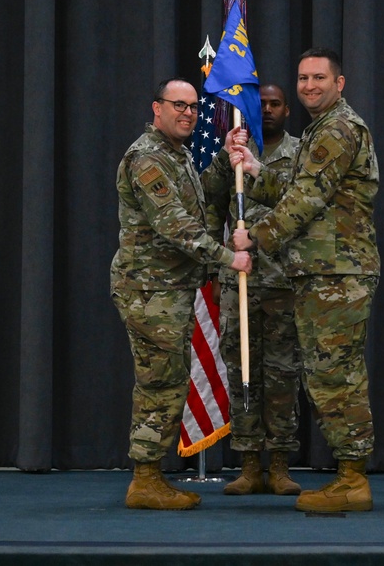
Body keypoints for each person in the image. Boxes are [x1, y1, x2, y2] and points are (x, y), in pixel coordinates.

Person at [228, 48, 380, 512]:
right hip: (321, 270)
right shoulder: (321, 129)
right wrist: (255, 172)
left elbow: (307, 200)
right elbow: (298, 187)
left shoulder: (336, 129)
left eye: (319, 77)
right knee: (325, 375)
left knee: (337, 376)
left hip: (338, 272)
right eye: (303, 78)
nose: (310, 85)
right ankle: (348, 474)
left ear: (341, 83)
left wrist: (253, 237)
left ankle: (353, 479)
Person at [110, 78, 253, 511]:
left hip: (168, 288)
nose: (188, 113)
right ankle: (145, 478)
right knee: (160, 383)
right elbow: (175, 224)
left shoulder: (178, 156)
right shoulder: (148, 158)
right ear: (157, 108)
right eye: (178, 105)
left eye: (193, 107)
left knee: (170, 380)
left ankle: (150, 476)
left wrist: (227, 160)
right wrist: (229, 258)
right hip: (149, 290)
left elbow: (199, 199)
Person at [200, 84, 303, 496]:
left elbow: (302, 201)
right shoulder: (233, 152)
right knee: (242, 372)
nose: (267, 111)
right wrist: (228, 159)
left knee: (282, 376)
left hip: (283, 280)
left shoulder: (298, 152)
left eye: (275, 104)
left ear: (287, 110)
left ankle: (279, 464)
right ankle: (247, 464)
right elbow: (208, 196)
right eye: (259, 105)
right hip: (238, 282)